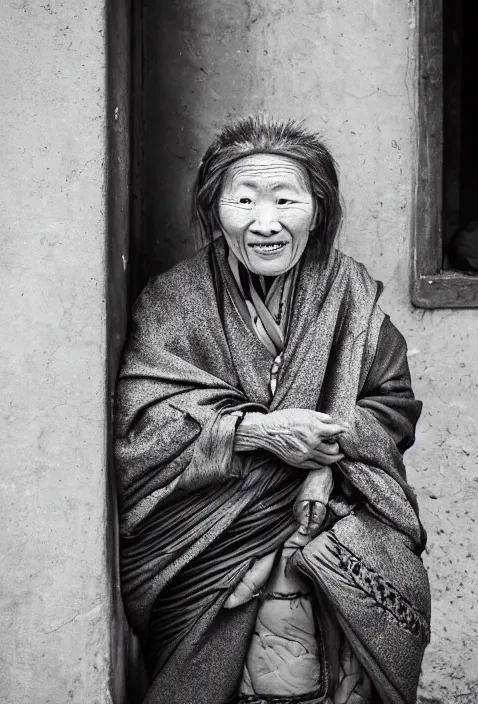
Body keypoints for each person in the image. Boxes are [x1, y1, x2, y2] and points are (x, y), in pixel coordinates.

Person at [115, 115, 430, 704]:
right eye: (243, 201)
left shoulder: (350, 294)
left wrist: (324, 462)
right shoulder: (173, 300)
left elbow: (392, 404)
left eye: (287, 199)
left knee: (325, 604)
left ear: (320, 209)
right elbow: (144, 422)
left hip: (324, 502)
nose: (266, 223)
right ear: (216, 211)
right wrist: (256, 431)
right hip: (202, 533)